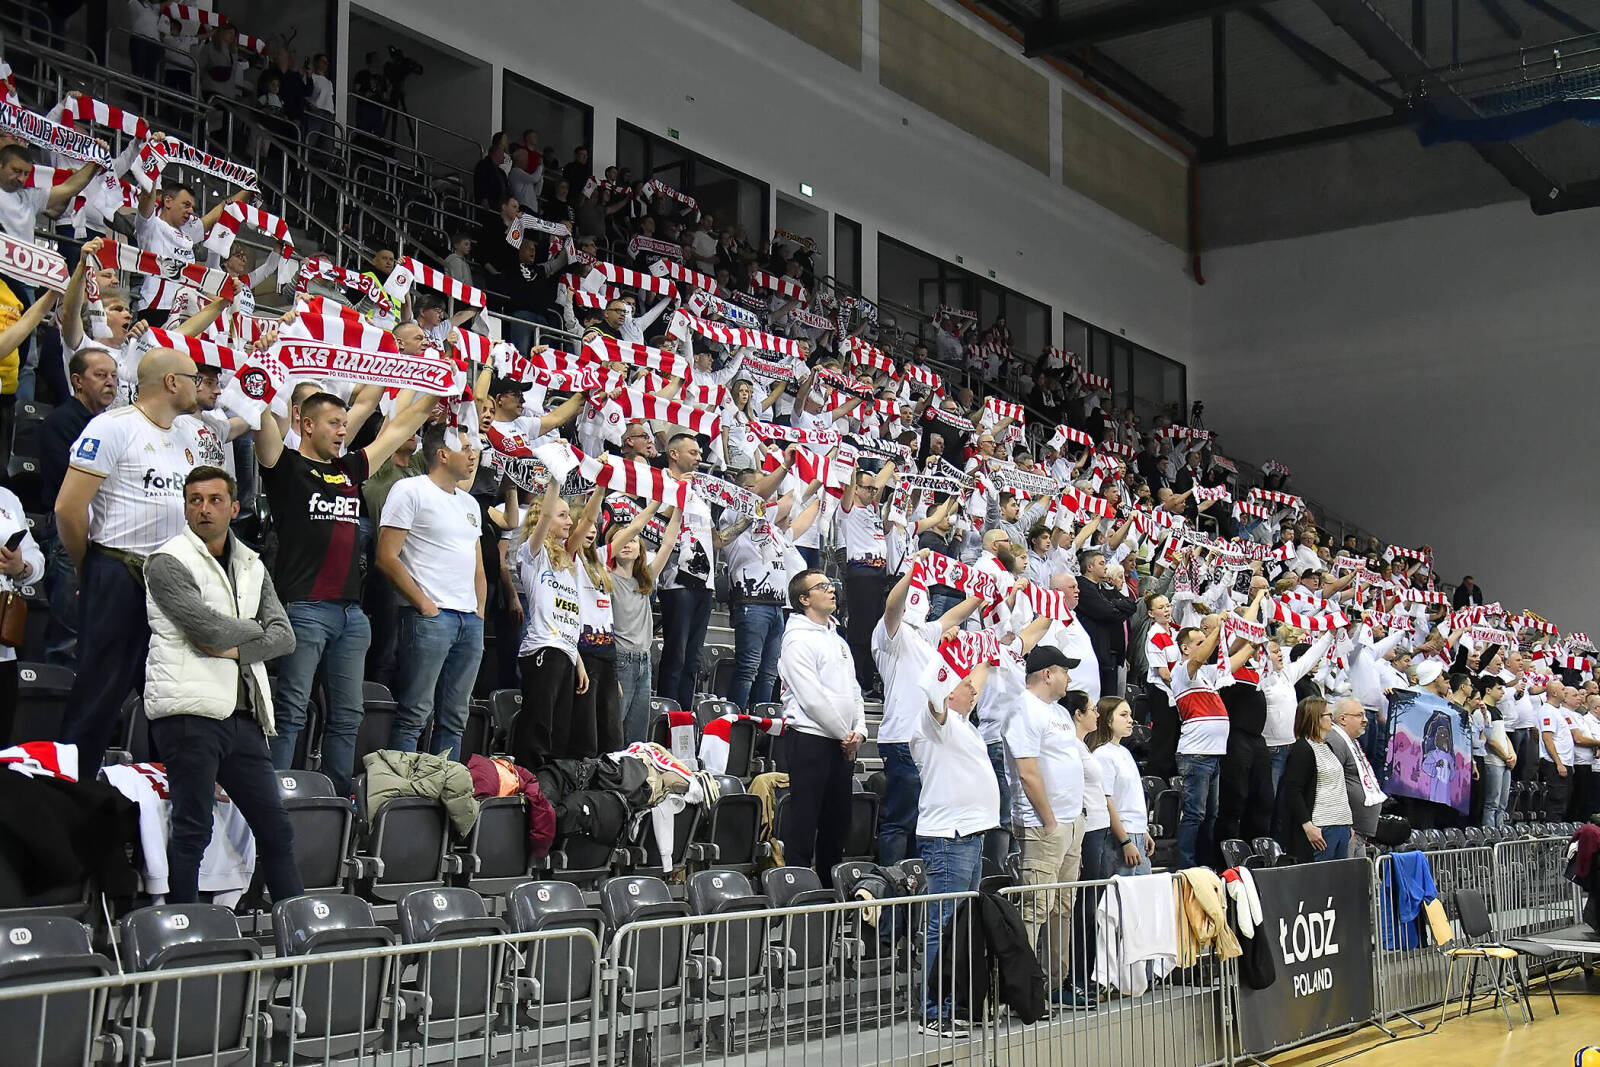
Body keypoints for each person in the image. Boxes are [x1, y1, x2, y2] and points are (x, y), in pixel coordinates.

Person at [253, 386, 432, 794]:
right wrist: (264, 375)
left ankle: (334, 801)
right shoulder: (285, 466)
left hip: (352, 615)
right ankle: (272, 798)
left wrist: (437, 394)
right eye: (334, 423)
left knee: (349, 715)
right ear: (306, 424)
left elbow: (398, 428)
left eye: (344, 424)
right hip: (305, 608)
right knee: (291, 709)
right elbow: (261, 420)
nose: (341, 431)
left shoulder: (350, 468)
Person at [141, 466, 301, 904]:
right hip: (189, 711)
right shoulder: (167, 560)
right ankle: (187, 927)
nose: (204, 509)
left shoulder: (251, 562)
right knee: (192, 829)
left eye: (214, 500)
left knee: (276, 828)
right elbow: (205, 629)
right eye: (195, 500)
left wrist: (234, 648)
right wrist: (255, 630)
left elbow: (285, 637)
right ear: (185, 508)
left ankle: (298, 928)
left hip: (244, 714)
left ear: (234, 507)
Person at [55, 347, 204, 774]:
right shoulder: (112, 427)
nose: (199, 386)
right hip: (119, 569)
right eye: (193, 378)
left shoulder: (188, 435)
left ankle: (164, 793)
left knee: (170, 697)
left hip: (171, 580)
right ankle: (70, 790)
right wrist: (88, 567)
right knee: (99, 694)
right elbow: (68, 508)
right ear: (171, 382)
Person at [376, 424, 487, 759]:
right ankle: (401, 785)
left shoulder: (470, 503)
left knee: (456, 717)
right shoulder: (409, 490)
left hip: (469, 620)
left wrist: (479, 614)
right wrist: (424, 605)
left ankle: (442, 782)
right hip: (430, 618)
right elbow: (386, 556)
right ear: (442, 454)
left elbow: (478, 567)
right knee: (414, 712)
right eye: (465, 448)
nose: (473, 455)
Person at [1005, 645, 1094, 1008]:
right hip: (1043, 825)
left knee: (1062, 908)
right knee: (1035, 909)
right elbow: (1027, 772)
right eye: (1064, 671)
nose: (1069, 678)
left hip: (1071, 822)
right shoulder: (1023, 709)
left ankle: (1054, 985)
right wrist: (1049, 820)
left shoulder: (1057, 711)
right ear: (1047, 674)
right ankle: (1025, 992)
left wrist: (1073, 818)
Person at [913, 655, 995, 1039]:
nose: (973, 689)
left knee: (960, 928)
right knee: (943, 927)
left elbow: (978, 674)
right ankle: (934, 1011)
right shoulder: (935, 721)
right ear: (947, 691)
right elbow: (934, 692)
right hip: (949, 837)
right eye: (965, 685)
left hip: (970, 835)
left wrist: (989, 653)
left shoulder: (964, 725)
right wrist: (945, 654)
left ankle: (955, 1005)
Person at [777, 569, 866, 888]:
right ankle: (796, 893)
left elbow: (854, 690)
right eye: (822, 586)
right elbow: (811, 697)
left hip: (843, 744)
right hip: (810, 740)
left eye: (831, 584)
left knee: (837, 824)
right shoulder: (796, 640)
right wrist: (846, 734)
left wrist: (860, 731)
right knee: (804, 821)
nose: (832, 590)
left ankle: (830, 892)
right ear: (804, 599)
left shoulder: (838, 640)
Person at [38, 347, 118, 666]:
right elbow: (70, 494)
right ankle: (56, 693)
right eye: (100, 375)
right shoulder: (61, 422)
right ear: (77, 381)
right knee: (67, 638)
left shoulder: (113, 425)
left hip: (104, 532)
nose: (110, 382)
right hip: (68, 531)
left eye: (114, 376)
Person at [511, 479, 584, 765]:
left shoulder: (567, 561)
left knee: (559, 733)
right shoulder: (533, 554)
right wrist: (556, 478)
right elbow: (543, 515)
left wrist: (578, 661)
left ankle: (549, 785)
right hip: (543, 649)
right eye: (562, 515)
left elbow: (569, 619)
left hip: (565, 652)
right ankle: (528, 780)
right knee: (537, 728)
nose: (570, 521)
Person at [1170, 619, 1252, 869]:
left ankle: (1205, 864)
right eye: (1199, 643)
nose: (1206, 646)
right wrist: (1217, 630)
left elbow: (1236, 659)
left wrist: (1254, 641)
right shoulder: (1181, 670)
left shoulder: (1206, 675)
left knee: (1209, 814)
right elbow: (1198, 658)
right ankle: (1186, 866)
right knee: (1195, 814)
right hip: (1196, 753)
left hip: (1211, 754)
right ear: (1185, 648)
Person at [607, 502, 682, 743]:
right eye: (621, 540)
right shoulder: (606, 579)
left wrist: (679, 506)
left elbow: (668, 544)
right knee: (614, 730)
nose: (627, 544)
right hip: (620, 659)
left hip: (644, 660)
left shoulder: (646, 578)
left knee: (637, 733)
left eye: (632, 540)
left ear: (641, 549)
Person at [1275, 696, 1354, 862]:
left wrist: (1346, 823)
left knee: (1339, 875)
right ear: (1315, 718)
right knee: (1321, 876)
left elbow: (1337, 786)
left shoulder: (1327, 746)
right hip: (1321, 827)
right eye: (1328, 715)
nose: (1332, 719)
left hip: (1341, 824)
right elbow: (1293, 790)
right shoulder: (1302, 749)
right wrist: (1307, 825)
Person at [1089, 697, 1153, 875]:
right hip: (1120, 836)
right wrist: (1125, 841)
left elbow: (1131, 797)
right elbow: (1106, 801)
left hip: (1137, 832)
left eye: (1130, 715)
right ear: (1108, 720)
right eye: (1123, 715)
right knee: (1121, 890)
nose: (1130, 720)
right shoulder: (1102, 754)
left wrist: (1143, 831)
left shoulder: (1124, 751)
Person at [1326, 697, 1386, 856]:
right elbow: (1331, 784)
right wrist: (1344, 823)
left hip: (1357, 832)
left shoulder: (1350, 741)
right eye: (1359, 715)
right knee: (1346, 871)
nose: (1365, 720)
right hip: (1347, 830)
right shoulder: (1335, 740)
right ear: (1342, 719)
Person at [1075, 550, 1136, 697]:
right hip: (1095, 654)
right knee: (1101, 698)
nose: (1105, 567)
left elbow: (1131, 605)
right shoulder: (1083, 586)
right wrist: (1115, 608)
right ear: (1090, 567)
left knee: (1111, 698)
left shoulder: (1103, 588)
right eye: (1101, 563)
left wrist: (1113, 604)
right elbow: (1108, 613)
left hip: (1110, 654)